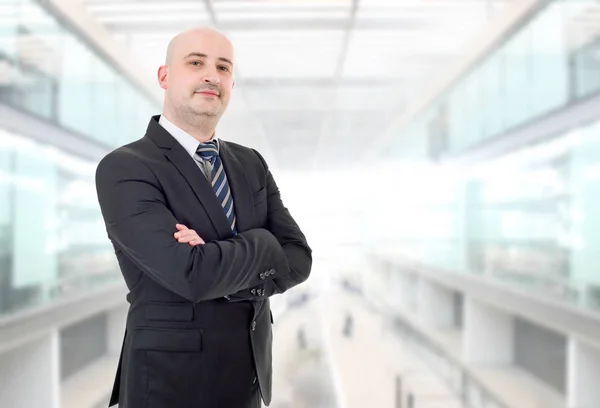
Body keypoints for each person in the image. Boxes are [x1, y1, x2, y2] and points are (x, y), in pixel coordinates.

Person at [95, 26, 312, 408]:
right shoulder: (125, 168)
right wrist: (262, 244)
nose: (212, 75)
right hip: (169, 383)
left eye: (223, 67)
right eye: (196, 63)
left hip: (247, 376)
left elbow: (298, 258)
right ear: (165, 76)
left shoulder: (251, 163)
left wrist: (218, 258)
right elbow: (191, 275)